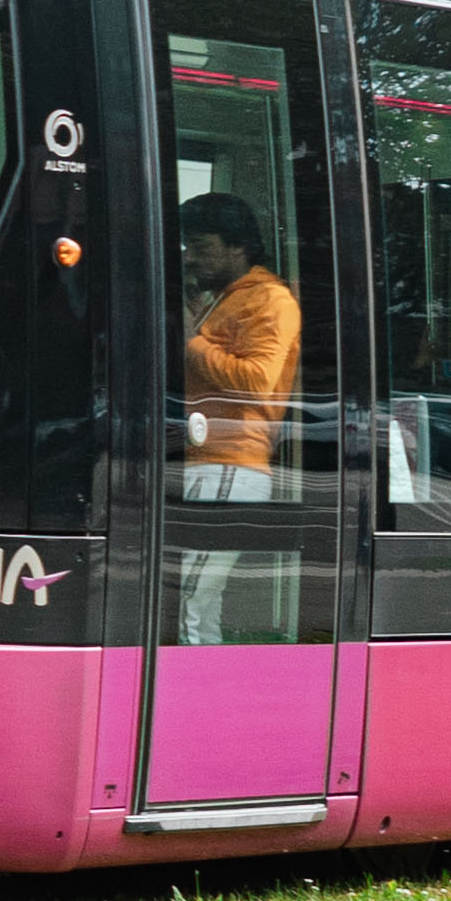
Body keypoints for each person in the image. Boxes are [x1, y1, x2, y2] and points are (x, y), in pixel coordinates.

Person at [174, 193, 301, 638]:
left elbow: (257, 380)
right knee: (203, 600)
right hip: (209, 461)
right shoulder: (225, 298)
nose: (190, 259)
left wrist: (193, 341)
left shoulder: (270, 299)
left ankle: (185, 694)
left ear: (238, 247)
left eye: (202, 247)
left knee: (185, 595)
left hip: (229, 463)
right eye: (187, 247)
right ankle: (208, 685)